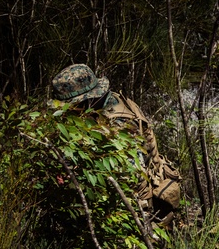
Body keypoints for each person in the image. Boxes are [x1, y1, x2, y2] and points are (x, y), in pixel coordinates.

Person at [51, 63, 181, 224]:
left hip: (137, 205)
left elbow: (133, 177)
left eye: (73, 106)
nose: (70, 111)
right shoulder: (105, 103)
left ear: (86, 100)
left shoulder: (119, 123)